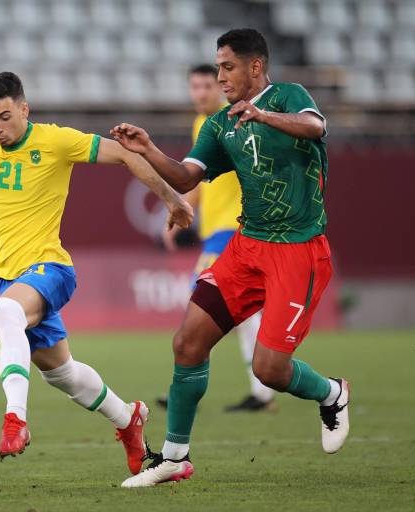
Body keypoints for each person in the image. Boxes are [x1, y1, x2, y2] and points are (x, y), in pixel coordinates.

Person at [0, 72, 193, 475]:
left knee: (4, 314)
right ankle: (128, 418)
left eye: (5, 117)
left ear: (24, 109)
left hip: (51, 267)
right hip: (12, 277)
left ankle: (16, 420)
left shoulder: (58, 141)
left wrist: (172, 199)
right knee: (62, 374)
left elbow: (127, 154)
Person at [111, 29, 350, 487]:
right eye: (217, 67)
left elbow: (316, 127)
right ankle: (174, 457)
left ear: (255, 67)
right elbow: (185, 178)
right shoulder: (221, 124)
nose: (219, 76)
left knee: (269, 369)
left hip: (299, 252)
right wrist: (148, 150)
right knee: (187, 343)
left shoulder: (288, 96)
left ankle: (332, 393)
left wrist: (262, 115)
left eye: (227, 67)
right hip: (247, 247)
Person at [157, 63, 275, 413]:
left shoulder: (236, 120)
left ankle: (191, 387)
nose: (200, 93)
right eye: (194, 87)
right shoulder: (202, 124)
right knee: (240, 315)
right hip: (217, 233)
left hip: (234, 229)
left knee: (205, 308)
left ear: (220, 87)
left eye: (207, 86)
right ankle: (263, 388)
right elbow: (197, 178)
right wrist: (181, 210)